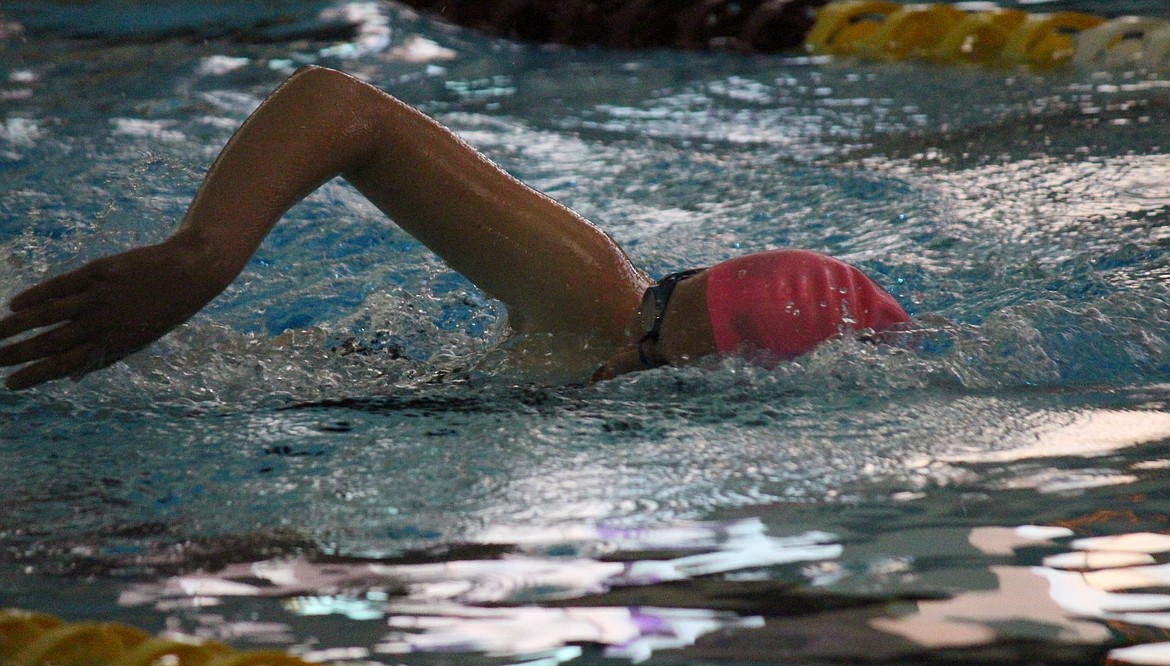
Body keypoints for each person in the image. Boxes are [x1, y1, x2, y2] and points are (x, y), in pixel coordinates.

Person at [0, 66, 908, 391]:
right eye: (661, 314)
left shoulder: (604, 376)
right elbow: (340, 106)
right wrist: (202, 256)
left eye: (661, 356)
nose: (630, 348)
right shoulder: (593, 298)